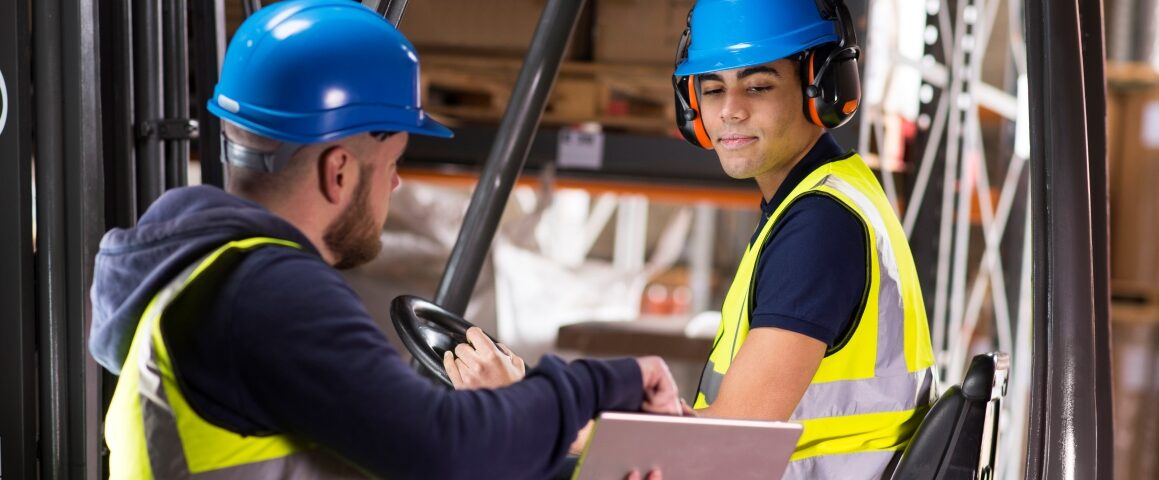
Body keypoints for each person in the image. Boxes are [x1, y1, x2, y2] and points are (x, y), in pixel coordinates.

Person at [88, 1, 681, 478]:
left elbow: (394, 454)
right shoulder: (268, 292)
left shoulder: (202, 278)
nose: (396, 183)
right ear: (339, 170)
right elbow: (445, 447)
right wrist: (610, 383)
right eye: (392, 162)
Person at [451, 0, 937, 478]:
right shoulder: (817, 202)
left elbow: (726, 442)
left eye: (759, 86)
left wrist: (529, 411)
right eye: (711, 88)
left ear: (822, 88)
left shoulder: (819, 230)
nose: (730, 111)